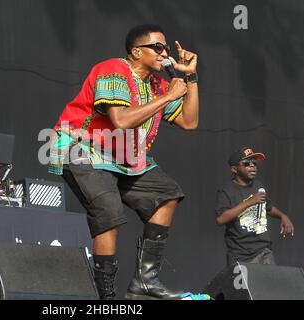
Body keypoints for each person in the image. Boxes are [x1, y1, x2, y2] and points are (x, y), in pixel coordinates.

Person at [48, 24, 199, 300]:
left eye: (165, 47)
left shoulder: (157, 84)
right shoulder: (113, 70)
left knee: (167, 194)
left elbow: (189, 122)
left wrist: (191, 79)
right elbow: (120, 120)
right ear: (136, 51)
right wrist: (168, 96)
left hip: (122, 156)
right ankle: (106, 297)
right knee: (109, 211)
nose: (164, 52)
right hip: (79, 146)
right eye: (158, 47)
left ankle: (144, 282)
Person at [215, 147, 294, 266]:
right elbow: (221, 219)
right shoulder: (226, 191)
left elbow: (268, 207)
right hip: (241, 256)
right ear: (234, 169)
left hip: (264, 251)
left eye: (255, 163)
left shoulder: (257, 185)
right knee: (247, 285)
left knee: (271, 284)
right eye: (247, 163)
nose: (252, 166)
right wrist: (249, 202)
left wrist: (283, 216)